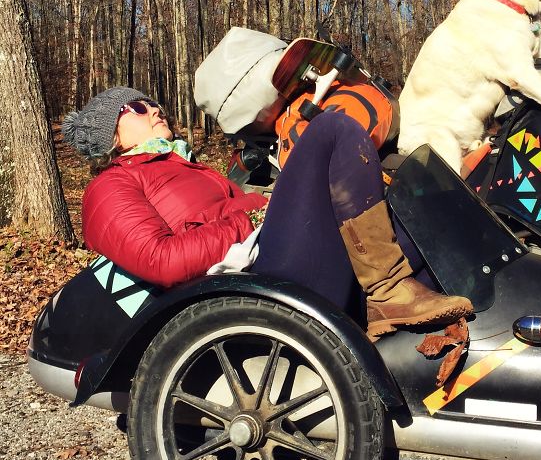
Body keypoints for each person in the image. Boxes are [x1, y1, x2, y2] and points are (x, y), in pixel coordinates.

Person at [62, 86, 472, 339]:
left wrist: (261, 207)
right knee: (331, 129)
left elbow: (233, 210)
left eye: (152, 102)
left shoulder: (191, 168)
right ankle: (386, 292)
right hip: (246, 285)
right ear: (111, 137)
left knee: (408, 211)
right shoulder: (109, 187)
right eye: (136, 107)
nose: (154, 109)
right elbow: (161, 261)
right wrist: (250, 221)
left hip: (266, 256)